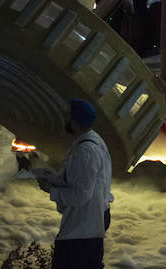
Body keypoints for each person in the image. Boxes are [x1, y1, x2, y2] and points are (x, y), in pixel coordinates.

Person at [37, 99, 113, 269]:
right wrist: (56, 179)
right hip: (96, 218)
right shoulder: (95, 141)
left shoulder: (84, 152)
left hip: (82, 227)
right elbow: (89, 183)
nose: (64, 118)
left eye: (67, 115)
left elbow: (80, 195)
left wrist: (51, 189)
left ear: (75, 122)